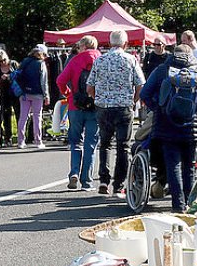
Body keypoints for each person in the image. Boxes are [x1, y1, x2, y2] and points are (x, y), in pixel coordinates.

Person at [140, 42, 197, 211]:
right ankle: (189, 203)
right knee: (189, 166)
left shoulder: (162, 70)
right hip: (192, 127)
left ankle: (178, 205)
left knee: (173, 165)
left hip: (166, 125)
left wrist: (159, 108)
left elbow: (145, 94)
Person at [89, 28, 144, 195]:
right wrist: (133, 100)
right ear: (125, 44)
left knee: (105, 144)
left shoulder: (100, 60)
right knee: (123, 146)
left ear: (110, 43)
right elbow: (140, 84)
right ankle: (119, 183)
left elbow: (89, 86)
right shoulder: (131, 60)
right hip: (123, 107)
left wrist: (97, 99)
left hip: (104, 107)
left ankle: (103, 180)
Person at [56, 36, 100, 190]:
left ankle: (74, 172)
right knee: (91, 144)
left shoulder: (74, 60)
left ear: (82, 46)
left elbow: (60, 80)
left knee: (75, 142)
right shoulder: (101, 60)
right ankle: (87, 181)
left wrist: (68, 94)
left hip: (76, 106)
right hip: (95, 107)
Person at [15, 44, 50, 147]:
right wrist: (46, 95)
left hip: (24, 93)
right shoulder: (41, 64)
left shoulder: (24, 62)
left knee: (23, 117)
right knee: (37, 117)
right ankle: (38, 141)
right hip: (37, 94)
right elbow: (43, 82)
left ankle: (20, 141)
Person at [0, 49, 19, 146]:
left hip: (15, 92)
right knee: (6, 116)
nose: (2, 63)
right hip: (3, 94)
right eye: (0, 61)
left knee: (19, 115)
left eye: (4, 60)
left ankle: (21, 136)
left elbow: (20, 75)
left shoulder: (13, 64)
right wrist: (0, 79)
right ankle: (8, 138)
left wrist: (10, 76)